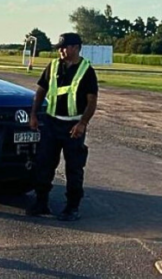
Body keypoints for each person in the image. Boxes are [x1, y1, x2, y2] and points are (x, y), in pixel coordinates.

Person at [25, 32, 98, 221]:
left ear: (75, 48)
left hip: (73, 126)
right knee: (44, 163)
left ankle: (72, 207)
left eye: (64, 47)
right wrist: (33, 115)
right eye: (59, 47)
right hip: (51, 122)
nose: (60, 51)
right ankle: (41, 202)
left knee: (74, 167)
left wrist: (82, 123)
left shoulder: (86, 71)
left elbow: (92, 101)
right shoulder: (53, 66)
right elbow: (41, 92)